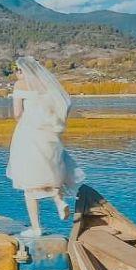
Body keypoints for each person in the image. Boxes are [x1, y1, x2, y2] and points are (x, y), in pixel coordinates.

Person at [6, 56, 86, 234]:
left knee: (28, 181)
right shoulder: (47, 85)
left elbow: (17, 113)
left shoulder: (20, 86)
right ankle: (59, 200)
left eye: (16, 70)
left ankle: (36, 228)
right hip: (49, 135)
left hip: (28, 134)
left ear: (22, 71)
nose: (16, 74)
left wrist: (26, 117)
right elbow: (63, 105)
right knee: (51, 170)